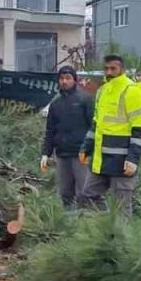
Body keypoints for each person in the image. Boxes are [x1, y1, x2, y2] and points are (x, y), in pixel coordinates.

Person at [80, 54, 141, 215]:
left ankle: (121, 238)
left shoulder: (132, 91)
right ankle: (106, 226)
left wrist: (133, 159)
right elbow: (96, 124)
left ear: (122, 69)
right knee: (89, 194)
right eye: (106, 68)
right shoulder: (103, 91)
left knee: (122, 207)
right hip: (101, 159)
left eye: (113, 68)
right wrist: (86, 148)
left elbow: (140, 129)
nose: (109, 72)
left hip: (122, 161)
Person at [41, 66, 94, 208]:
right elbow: (50, 130)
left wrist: (90, 150)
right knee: (65, 192)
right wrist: (46, 153)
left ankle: (87, 224)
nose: (64, 81)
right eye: (61, 78)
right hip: (62, 154)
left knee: (83, 192)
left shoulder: (85, 100)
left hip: (81, 154)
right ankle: (69, 224)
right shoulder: (55, 103)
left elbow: (93, 127)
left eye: (68, 78)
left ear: (75, 80)